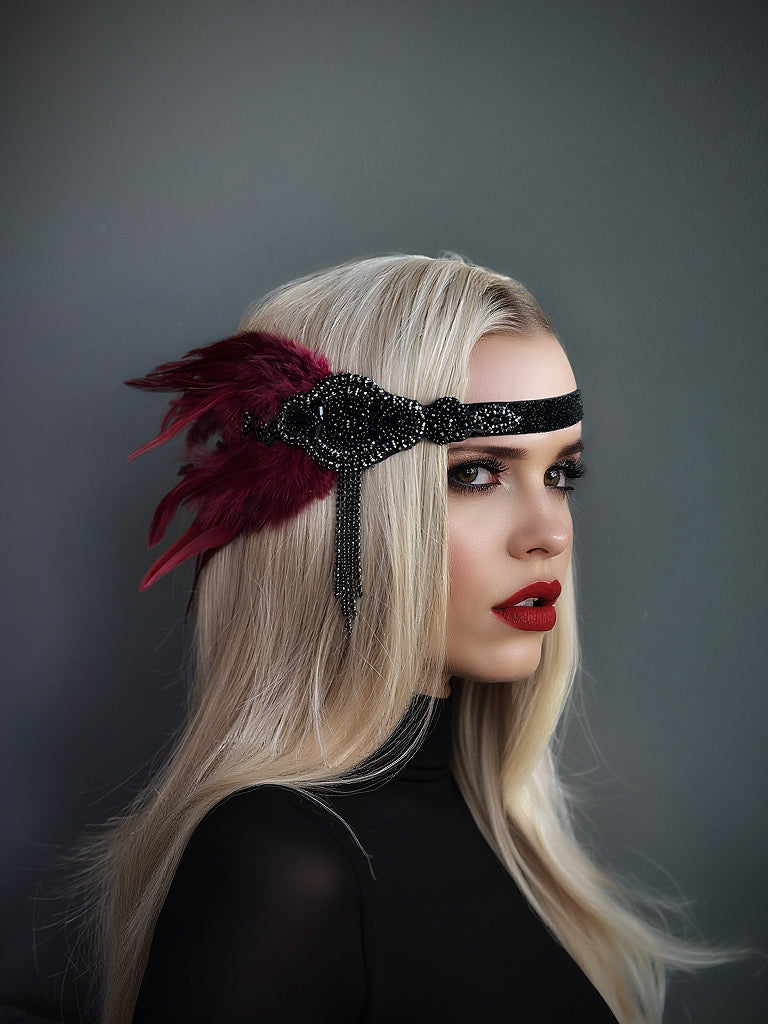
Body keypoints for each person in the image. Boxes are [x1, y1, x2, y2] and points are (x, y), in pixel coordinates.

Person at [83, 255, 715, 1023]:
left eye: (561, 474)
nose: (550, 533)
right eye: (477, 474)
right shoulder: (283, 863)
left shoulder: (503, 830)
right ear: (332, 509)